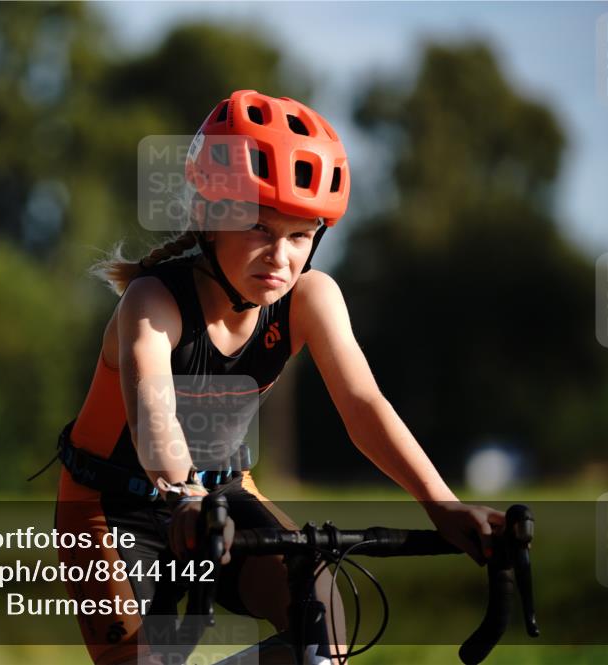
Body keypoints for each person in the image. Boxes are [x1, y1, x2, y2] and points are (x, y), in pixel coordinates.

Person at [50, 90, 505, 665]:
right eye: (259, 228)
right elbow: (152, 411)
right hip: (110, 506)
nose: (281, 256)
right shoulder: (153, 300)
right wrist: (183, 494)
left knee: (323, 621)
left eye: (299, 235)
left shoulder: (312, 296)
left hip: (221, 491)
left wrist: (442, 505)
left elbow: (363, 405)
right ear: (207, 216)